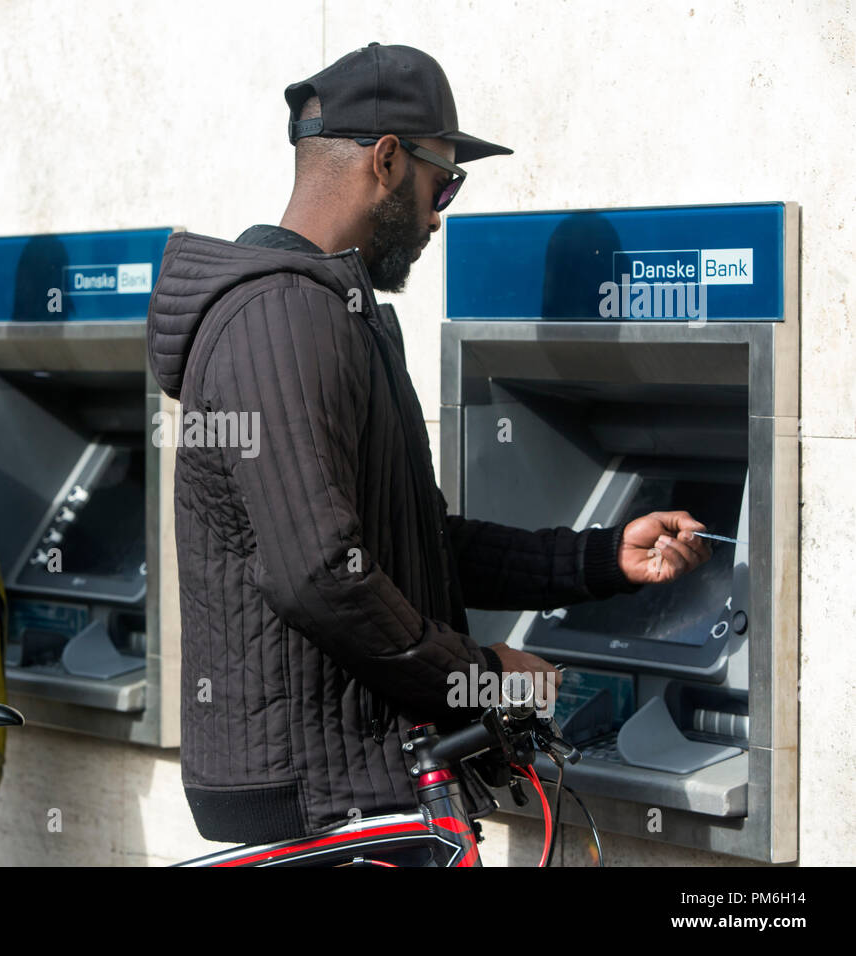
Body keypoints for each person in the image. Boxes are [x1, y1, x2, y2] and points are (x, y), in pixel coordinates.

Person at [145, 43, 713, 845]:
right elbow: (318, 576)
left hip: (358, 782)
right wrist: (481, 681)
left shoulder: (333, 313)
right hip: (325, 802)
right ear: (385, 160)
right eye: (441, 181)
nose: (440, 212)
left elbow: (414, 542)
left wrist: (596, 560)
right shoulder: (281, 318)